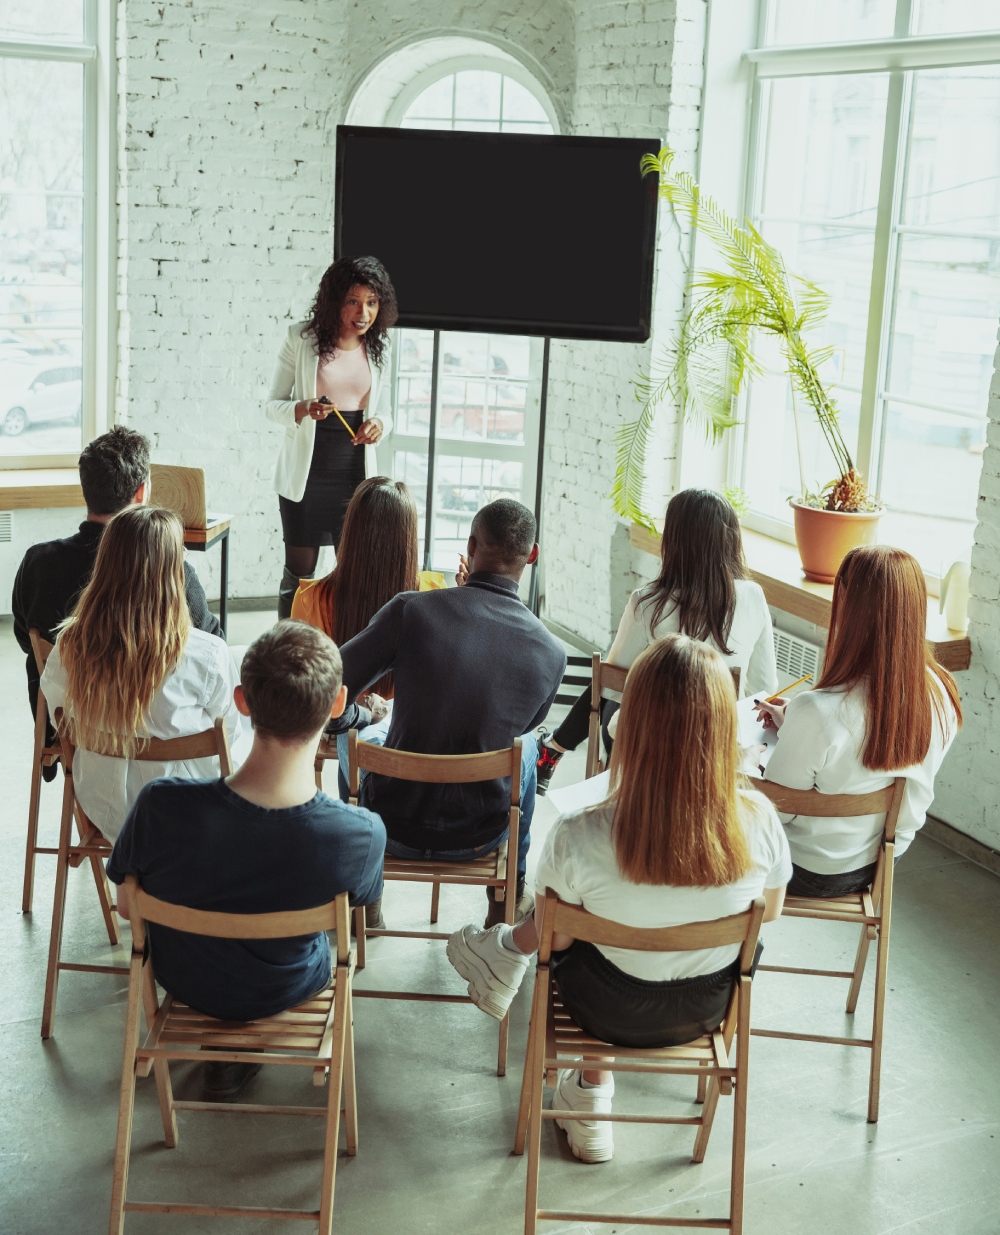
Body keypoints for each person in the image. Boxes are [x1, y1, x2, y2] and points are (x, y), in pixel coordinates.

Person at [446, 635, 790, 1163]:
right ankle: (585, 1092)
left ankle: (588, 1089)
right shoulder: (761, 822)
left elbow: (555, 938)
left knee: (569, 938)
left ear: (632, 724)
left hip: (602, 1011)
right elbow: (773, 912)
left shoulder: (580, 833)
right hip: (706, 1007)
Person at [107, 622, 386, 1099]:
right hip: (288, 986)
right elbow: (355, 917)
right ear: (338, 704)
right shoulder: (359, 834)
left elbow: (128, 909)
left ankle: (225, 1054)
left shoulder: (159, 806)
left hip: (185, 980)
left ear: (241, 701)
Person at [327, 497, 566, 928]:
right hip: (480, 832)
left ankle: (367, 891)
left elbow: (329, 684)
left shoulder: (412, 609)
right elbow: (520, 726)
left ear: (470, 546)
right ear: (532, 555)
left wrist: (358, 721)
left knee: (354, 738)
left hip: (390, 823)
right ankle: (507, 894)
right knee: (527, 747)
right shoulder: (551, 653)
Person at [535, 488, 777, 794]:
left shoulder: (649, 602)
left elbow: (611, 684)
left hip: (652, 740)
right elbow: (764, 687)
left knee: (609, 685)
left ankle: (552, 750)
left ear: (673, 541)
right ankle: (553, 749)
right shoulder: (754, 597)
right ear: (730, 540)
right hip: (720, 742)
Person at [11, 425, 222, 771]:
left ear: (86, 491)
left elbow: (27, 642)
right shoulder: (172, 573)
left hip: (69, 727)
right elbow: (212, 642)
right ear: (142, 493)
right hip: (155, 737)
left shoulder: (37, 563)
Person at [759, 545, 962, 898]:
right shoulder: (941, 688)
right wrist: (795, 723)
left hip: (807, 868)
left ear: (850, 608)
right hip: (883, 862)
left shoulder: (818, 710)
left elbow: (778, 813)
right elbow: (871, 734)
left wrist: (746, 770)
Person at [40, 506, 252, 844]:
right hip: (191, 812)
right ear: (175, 572)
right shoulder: (209, 654)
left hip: (107, 811)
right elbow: (229, 737)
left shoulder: (69, 645)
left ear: (105, 565)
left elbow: (58, 714)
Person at [265, 255, 399, 619]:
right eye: (353, 301)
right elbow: (271, 404)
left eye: (372, 302)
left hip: (354, 477)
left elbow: (386, 411)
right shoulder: (301, 338)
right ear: (335, 300)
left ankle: (345, 650)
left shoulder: (379, 347)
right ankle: (286, 647)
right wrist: (303, 407)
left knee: (355, 574)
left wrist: (380, 426)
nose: (363, 312)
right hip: (305, 476)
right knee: (299, 572)